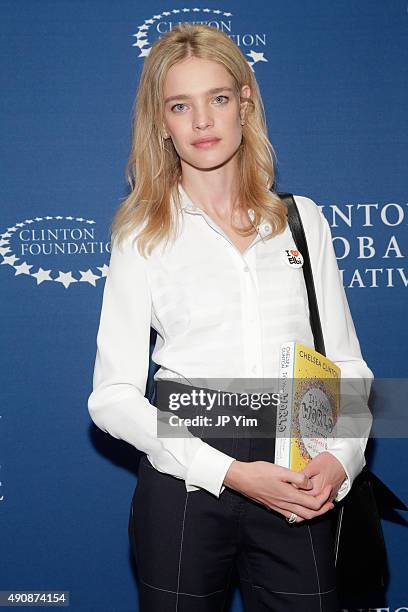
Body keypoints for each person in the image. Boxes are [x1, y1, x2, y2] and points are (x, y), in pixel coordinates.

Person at [87, 23, 373, 612]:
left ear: (245, 103)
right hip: (186, 472)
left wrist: (338, 460)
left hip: (299, 468)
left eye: (218, 99)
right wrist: (230, 472)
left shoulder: (302, 221)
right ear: (160, 123)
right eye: (179, 106)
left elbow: (345, 362)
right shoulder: (142, 233)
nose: (201, 122)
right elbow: (111, 396)